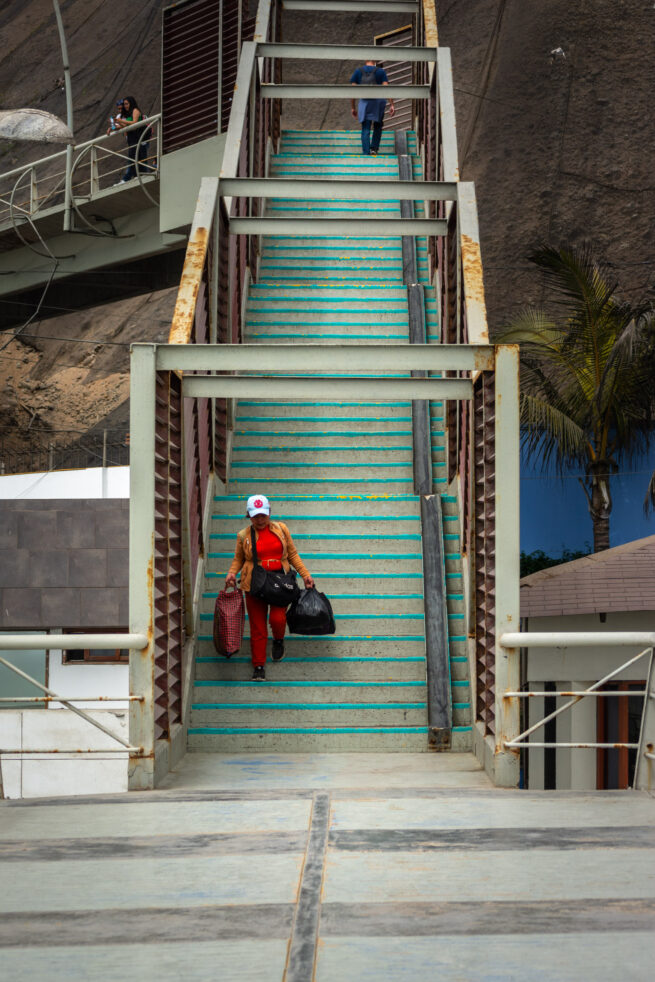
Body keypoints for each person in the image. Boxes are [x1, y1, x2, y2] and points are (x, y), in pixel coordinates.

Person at [225, 494, 314, 680]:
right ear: (248, 515)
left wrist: (305, 575)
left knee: (277, 619)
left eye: (263, 515)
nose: (260, 520)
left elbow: (293, 555)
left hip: (280, 583)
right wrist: (232, 573)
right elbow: (238, 559)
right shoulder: (243, 536)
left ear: (269, 513)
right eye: (255, 516)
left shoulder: (281, 529)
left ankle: (278, 640)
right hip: (254, 585)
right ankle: (258, 666)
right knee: (257, 626)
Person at [350, 60, 395, 156]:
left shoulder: (358, 71)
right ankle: (374, 149)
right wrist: (392, 104)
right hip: (378, 103)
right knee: (378, 126)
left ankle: (366, 152)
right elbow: (387, 88)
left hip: (365, 103)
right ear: (374, 61)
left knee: (365, 128)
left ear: (365, 61)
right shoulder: (380, 71)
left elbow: (352, 91)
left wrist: (353, 107)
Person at [107, 95, 152, 183]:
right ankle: (136, 176)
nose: (125, 106)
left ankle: (130, 177)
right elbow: (125, 126)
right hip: (133, 138)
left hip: (139, 137)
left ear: (131, 103)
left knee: (140, 157)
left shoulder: (135, 110)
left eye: (126, 104)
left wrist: (120, 120)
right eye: (124, 104)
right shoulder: (127, 114)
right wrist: (113, 126)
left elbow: (134, 123)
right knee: (134, 157)